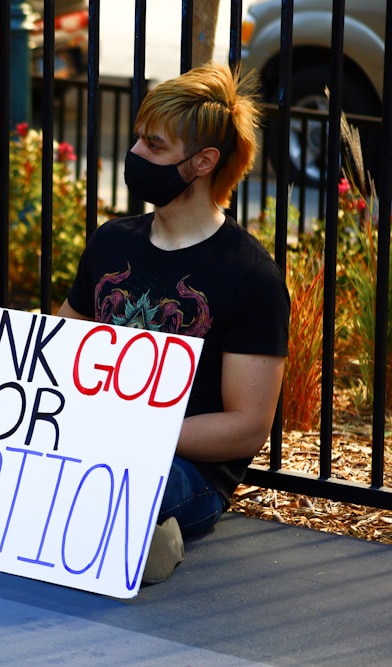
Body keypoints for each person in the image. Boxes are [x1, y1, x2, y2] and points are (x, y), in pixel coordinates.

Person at [56, 62, 290, 584]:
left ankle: (146, 533)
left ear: (203, 161)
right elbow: (60, 344)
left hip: (185, 468)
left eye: (154, 146)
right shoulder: (112, 241)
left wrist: (137, 432)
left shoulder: (250, 276)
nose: (134, 154)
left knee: (106, 488)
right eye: (138, 139)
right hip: (93, 435)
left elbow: (247, 426)